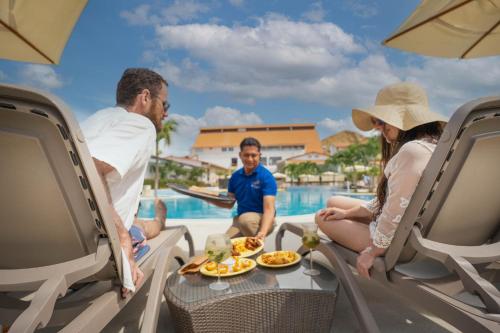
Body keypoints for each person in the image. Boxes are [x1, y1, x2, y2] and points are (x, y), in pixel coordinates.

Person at [315, 82, 447, 279]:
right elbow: (398, 199)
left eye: (381, 120)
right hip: (421, 225)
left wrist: (373, 251)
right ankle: (345, 214)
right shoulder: (437, 145)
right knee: (334, 204)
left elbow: (395, 210)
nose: (376, 127)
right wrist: (347, 214)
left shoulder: (412, 152)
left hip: (405, 243)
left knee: (321, 216)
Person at [81, 68, 170, 295]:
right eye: (165, 105)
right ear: (145, 97)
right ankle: (160, 220)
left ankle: (154, 220)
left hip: (57, 234)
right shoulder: (141, 125)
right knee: (142, 231)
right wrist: (122, 239)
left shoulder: (93, 120)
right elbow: (90, 169)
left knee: (136, 223)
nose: (165, 113)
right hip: (94, 245)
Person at [208, 137, 277, 240]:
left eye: (253, 155)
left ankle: (258, 251)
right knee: (223, 245)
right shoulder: (235, 177)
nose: (250, 159)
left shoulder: (266, 177)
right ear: (240, 155)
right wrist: (206, 198)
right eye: (246, 155)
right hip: (240, 221)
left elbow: (269, 209)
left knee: (245, 220)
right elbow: (229, 203)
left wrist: (262, 232)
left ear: (259, 155)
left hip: (264, 219)